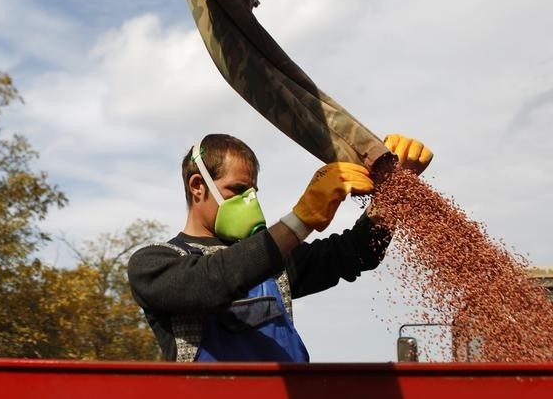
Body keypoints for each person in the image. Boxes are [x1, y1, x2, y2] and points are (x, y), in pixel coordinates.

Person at [127, 133, 432, 362]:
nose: (250, 202)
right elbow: (213, 281)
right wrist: (301, 220)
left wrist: (394, 194)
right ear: (197, 185)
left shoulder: (275, 262)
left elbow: (356, 253)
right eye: (238, 190)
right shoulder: (154, 264)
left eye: (253, 191)